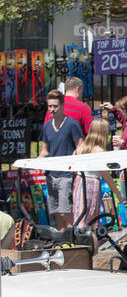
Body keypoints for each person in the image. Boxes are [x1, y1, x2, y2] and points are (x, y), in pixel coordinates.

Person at [39, 90, 84, 229]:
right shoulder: (46, 126)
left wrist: (73, 160)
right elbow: (44, 150)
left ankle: (79, 231)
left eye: (55, 106)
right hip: (52, 174)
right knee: (56, 212)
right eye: (50, 106)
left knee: (65, 210)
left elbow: (80, 147)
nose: (52, 109)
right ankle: (62, 238)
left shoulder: (71, 124)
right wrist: (37, 160)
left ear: (63, 105)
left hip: (66, 174)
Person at [71, 119, 123, 228]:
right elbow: (106, 175)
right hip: (92, 183)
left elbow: (73, 168)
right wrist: (117, 193)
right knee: (91, 217)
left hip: (79, 182)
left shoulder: (80, 148)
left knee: (79, 213)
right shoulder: (99, 151)